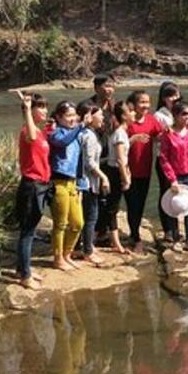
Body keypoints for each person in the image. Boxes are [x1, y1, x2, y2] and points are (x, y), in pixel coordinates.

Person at [48, 100, 94, 270]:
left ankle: (67, 254)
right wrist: (80, 126)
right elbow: (62, 142)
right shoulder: (56, 133)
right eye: (68, 116)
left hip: (73, 183)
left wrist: (81, 184)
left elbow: (79, 161)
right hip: (59, 182)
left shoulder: (75, 134)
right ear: (58, 117)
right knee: (60, 223)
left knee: (77, 223)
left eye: (74, 115)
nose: (72, 119)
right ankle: (58, 257)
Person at [14, 91, 51, 289]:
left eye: (46, 106)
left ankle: (23, 269)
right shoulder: (28, 131)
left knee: (30, 229)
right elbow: (31, 135)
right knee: (27, 232)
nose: (45, 110)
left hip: (41, 184)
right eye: (41, 107)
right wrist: (27, 109)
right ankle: (25, 276)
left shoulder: (40, 131)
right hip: (32, 185)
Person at [158, 100, 188, 252]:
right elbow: (163, 158)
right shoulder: (168, 134)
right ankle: (176, 238)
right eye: (184, 114)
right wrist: (172, 179)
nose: (187, 117)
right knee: (174, 207)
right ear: (175, 116)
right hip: (175, 177)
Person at [123, 90, 162, 254]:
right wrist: (133, 139)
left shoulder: (152, 120)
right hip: (127, 170)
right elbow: (116, 143)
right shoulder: (127, 122)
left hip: (145, 169)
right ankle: (136, 238)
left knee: (140, 205)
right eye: (142, 102)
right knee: (132, 205)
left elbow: (160, 136)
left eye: (148, 102)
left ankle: (134, 234)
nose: (146, 105)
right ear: (133, 104)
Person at [75, 101, 111, 266]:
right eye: (100, 114)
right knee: (91, 217)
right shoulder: (88, 135)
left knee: (85, 216)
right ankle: (87, 250)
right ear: (89, 116)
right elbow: (90, 163)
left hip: (84, 181)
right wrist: (103, 177)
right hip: (88, 182)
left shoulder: (84, 132)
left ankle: (82, 246)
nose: (103, 117)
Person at [102, 100, 132, 254]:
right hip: (115, 172)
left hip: (113, 170)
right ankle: (116, 243)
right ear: (124, 116)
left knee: (112, 207)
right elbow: (120, 158)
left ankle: (111, 239)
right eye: (130, 111)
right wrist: (125, 177)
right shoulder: (120, 133)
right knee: (113, 208)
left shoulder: (120, 132)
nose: (133, 114)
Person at [154, 82, 182, 241]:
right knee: (166, 192)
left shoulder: (182, 111)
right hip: (164, 159)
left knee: (178, 192)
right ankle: (168, 230)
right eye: (170, 96)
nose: (173, 99)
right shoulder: (160, 115)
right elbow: (156, 138)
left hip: (179, 159)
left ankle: (175, 227)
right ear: (163, 99)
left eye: (176, 95)